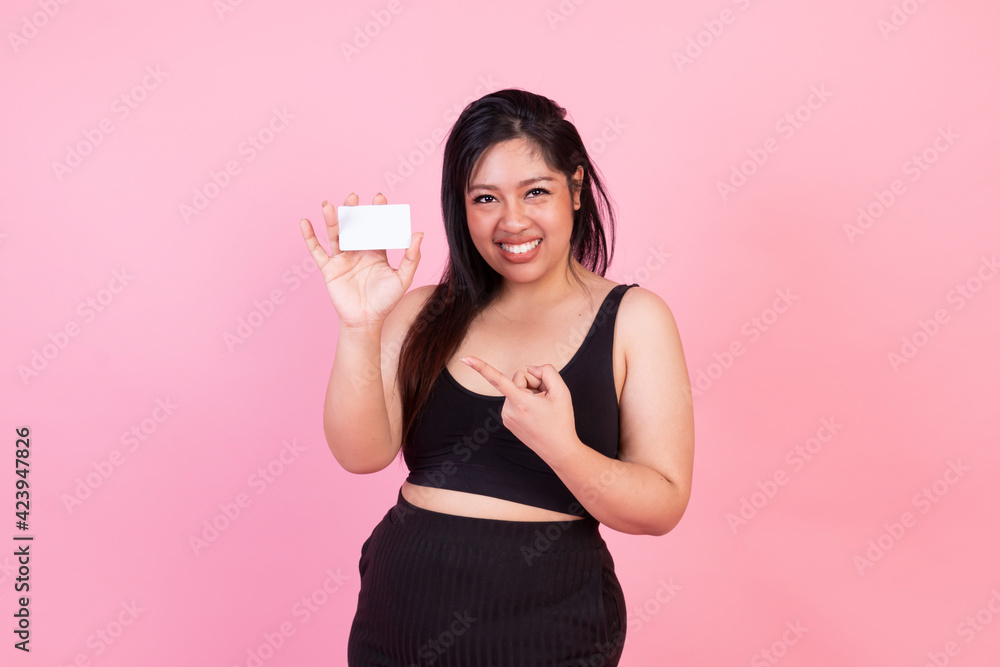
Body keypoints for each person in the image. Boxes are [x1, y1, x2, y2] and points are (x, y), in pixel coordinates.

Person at [300, 88, 694, 666]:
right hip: (400, 615)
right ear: (460, 206)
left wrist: (562, 447)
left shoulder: (635, 319)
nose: (513, 221)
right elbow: (361, 455)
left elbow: (661, 507)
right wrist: (361, 325)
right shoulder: (420, 312)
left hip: (546, 627)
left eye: (536, 191)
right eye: (486, 197)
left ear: (577, 188)